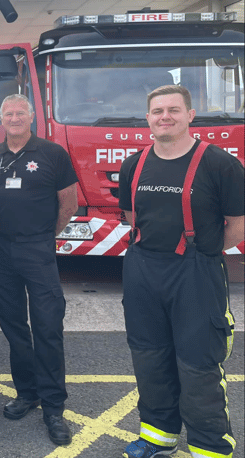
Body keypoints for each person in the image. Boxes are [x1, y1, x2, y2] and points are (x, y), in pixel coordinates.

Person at [118, 85, 243, 458]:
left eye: (173, 110)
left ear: (190, 116)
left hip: (196, 272)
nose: (164, 117)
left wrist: (204, 252)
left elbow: (237, 224)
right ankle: (158, 437)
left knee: (198, 363)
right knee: (149, 357)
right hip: (142, 269)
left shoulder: (220, 164)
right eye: (157, 111)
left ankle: (209, 448)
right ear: (148, 119)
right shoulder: (133, 164)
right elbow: (131, 217)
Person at [0, 94, 77, 446]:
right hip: (1, 252)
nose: (15, 118)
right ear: (0, 119)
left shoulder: (53, 154)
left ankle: (53, 406)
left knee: (48, 327)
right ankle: (27, 392)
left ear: (32, 117)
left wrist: (43, 237)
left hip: (37, 250)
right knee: (14, 327)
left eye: (21, 112)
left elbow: (69, 202)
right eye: (8, 113)